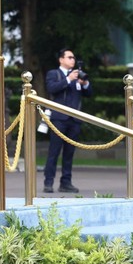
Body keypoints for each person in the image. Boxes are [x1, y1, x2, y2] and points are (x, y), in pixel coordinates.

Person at [42, 48, 92, 194]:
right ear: (61, 59)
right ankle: (48, 182)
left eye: (73, 58)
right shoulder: (54, 73)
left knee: (69, 153)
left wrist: (85, 83)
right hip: (59, 119)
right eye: (69, 57)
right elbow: (51, 88)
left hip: (74, 120)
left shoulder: (78, 75)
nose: (72, 60)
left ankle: (66, 182)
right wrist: (68, 79)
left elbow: (89, 93)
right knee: (54, 152)